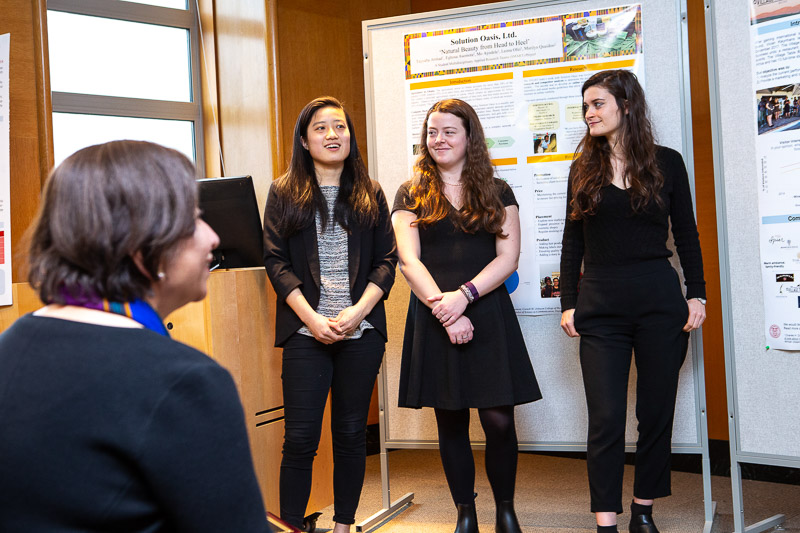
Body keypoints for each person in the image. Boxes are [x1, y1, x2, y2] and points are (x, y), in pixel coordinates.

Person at [0, 141, 269, 532]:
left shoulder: (11, 344)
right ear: (142, 246)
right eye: (195, 219)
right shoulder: (187, 383)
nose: (213, 237)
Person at [559, 70, 706, 533]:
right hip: (600, 303)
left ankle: (643, 511)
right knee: (604, 418)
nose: (589, 114)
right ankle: (606, 522)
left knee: (655, 412)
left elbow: (686, 234)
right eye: (585, 106)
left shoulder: (667, 162)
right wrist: (568, 301)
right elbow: (571, 241)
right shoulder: (582, 168)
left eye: (597, 104)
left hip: (659, 301)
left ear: (626, 105)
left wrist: (696, 293)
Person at [392, 98, 541, 533]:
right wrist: (446, 308)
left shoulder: (497, 191)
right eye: (432, 132)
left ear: (469, 136)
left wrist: (466, 295)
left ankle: (506, 510)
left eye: (449, 131)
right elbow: (408, 261)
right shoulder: (410, 193)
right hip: (434, 312)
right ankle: (465, 511)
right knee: (450, 418)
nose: (438, 139)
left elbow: (509, 257)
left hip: (488, 310)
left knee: (498, 420)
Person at [263, 96, 397, 532]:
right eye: (320, 128)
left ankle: (343, 525)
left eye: (339, 126)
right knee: (300, 438)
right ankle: (293, 527)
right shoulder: (284, 191)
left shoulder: (369, 191)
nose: (332, 135)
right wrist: (312, 319)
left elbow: (387, 260)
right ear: (304, 139)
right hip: (306, 332)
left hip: (362, 331)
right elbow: (276, 263)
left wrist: (358, 313)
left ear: (350, 136)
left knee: (351, 434)